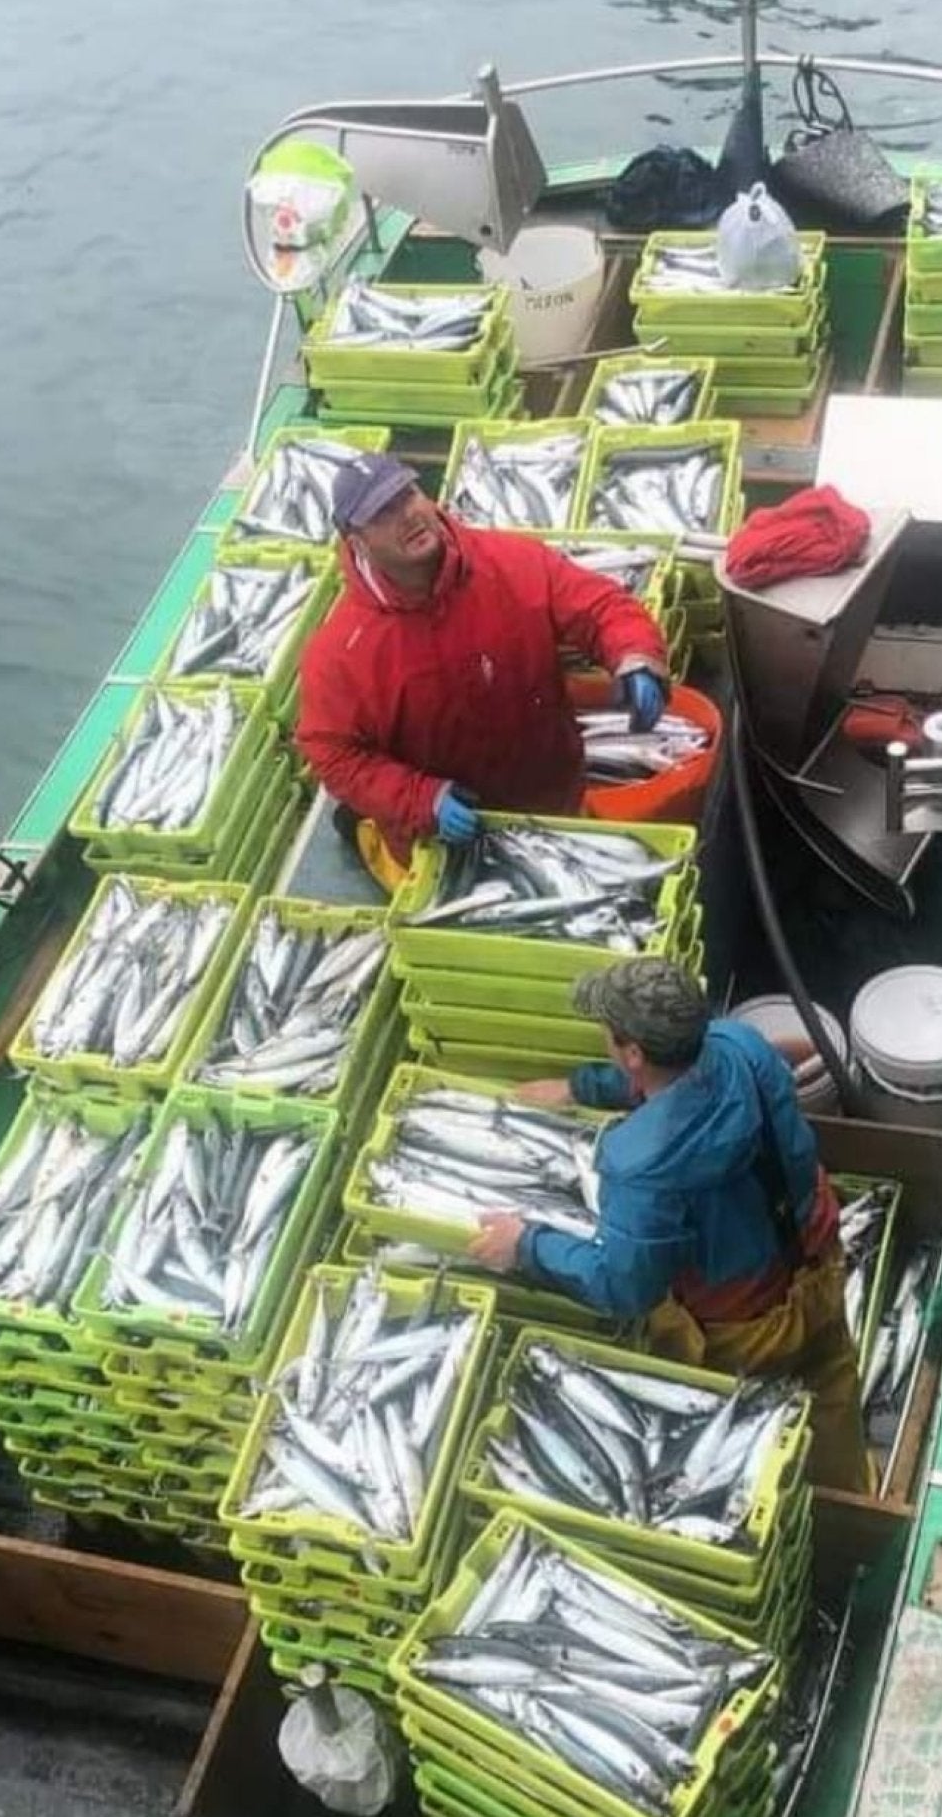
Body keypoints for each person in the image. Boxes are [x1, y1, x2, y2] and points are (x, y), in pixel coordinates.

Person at [467, 957, 872, 1493]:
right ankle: (852, 1489)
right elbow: (683, 1082)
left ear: (633, 1052)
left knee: (741, 1438)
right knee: (832, 1380)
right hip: (820, 1258)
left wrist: (528, 1245)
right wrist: (583, 1087)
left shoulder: (642, 1168)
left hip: (742, 1326)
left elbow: (625, 1287)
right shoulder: (741, 1046)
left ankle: (805, 1516)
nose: (604, 1042)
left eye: (609, 1036)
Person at [295, 451, 670, 888]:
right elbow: (332, 753)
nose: (408, 516)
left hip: (551, 801)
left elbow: (600, 606)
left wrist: (634, 654)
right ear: (355, 540)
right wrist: (419, 800)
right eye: (383, 512)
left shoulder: (513, 561)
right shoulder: (340, 651)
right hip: (439, 840)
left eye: (408, 494)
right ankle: (364, 831)